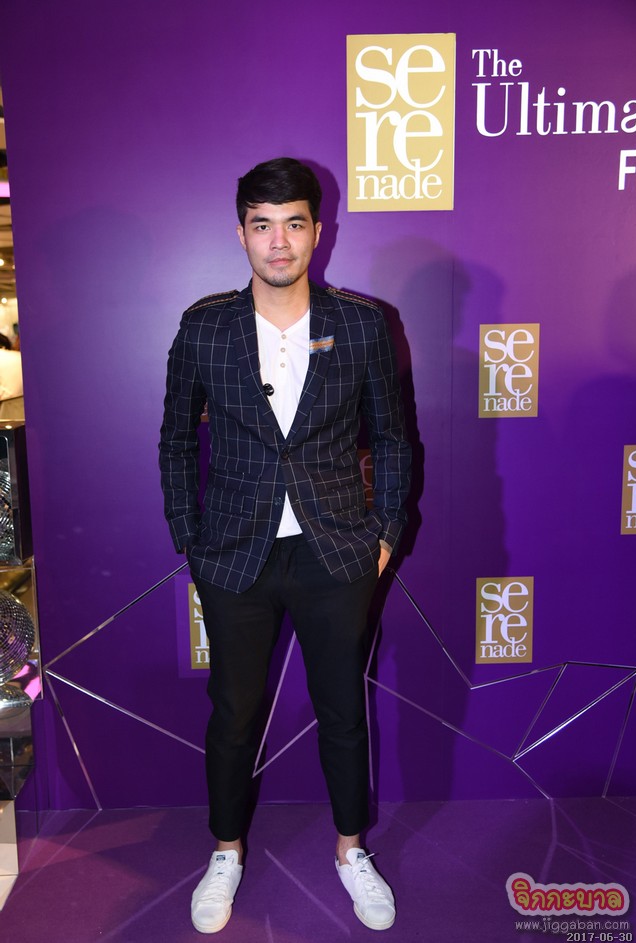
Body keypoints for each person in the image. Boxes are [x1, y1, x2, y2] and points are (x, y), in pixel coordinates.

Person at [159, 157, 411, 934]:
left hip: (336, 553)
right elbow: (175, 440)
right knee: (233, 712)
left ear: (317, 230)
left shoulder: (362, 324)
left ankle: (351, 849)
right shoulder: (205, 327)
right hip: (235, 554)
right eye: (262, 225)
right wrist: (190, 539)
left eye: (293, 223)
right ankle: (225, 851)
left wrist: (386, 534)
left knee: (342, 709)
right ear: (240, 233)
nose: (278, 241)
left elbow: (394, 439)